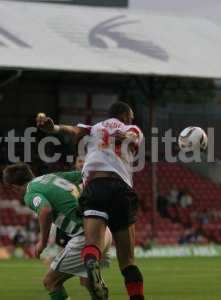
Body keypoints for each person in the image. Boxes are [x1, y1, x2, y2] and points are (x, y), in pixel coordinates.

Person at [36, 101, 145, 300]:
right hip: (120, 188)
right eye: (130, 116)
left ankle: (92, 263)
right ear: (125, 116)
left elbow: (72, 130)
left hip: (94, 187)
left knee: (93, 245)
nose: (132, 119)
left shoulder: (95, 127)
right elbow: (132, 136)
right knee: (128, 261)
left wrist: (53, 128)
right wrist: (126, 136)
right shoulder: (131, 127)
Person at [3, 163, 112, 300]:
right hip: (103, 230)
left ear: (13, 187)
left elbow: (45, 210)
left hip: (84, 237)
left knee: (50, 282)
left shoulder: (30, 193)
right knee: (88, 282)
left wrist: (42, 243)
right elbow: (84, 175)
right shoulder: (51, 177)